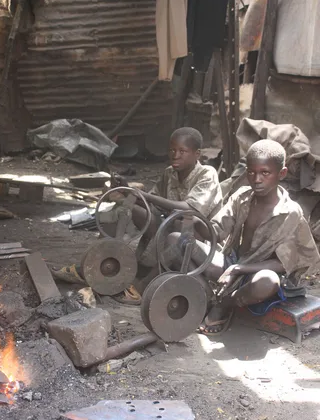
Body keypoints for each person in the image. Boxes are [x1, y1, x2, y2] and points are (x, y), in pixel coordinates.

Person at [52, 126, 222, 303]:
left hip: (199, 238)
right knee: (134, 211)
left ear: (197, 154)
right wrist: (129, 191)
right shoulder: (170, 173)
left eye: (182, 151)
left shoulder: (207, 174)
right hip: (172, 225)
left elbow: (188, 209)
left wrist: (145, 195)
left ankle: (141, 288)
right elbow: (152, 203)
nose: (175, 155)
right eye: (172, 150)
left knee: (180, 226)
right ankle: (95, 264)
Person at [171, 138, 320, 334]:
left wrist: (240, 269)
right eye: (251, 172)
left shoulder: (290, 212)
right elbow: (216, 231)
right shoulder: (242, 197)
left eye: (265, 173)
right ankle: (206, 297)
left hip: (257, 274)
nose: (257, 179)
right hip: (232, 264)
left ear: (281, 173)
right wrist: (196, 220)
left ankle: (224, 305)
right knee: (176, 239)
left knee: (268, 281)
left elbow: (283, 264)